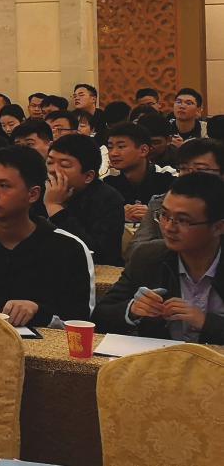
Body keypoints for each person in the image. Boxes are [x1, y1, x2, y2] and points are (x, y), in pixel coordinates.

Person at [0, 146, 95, 327]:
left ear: (33, 194)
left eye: (4, 186)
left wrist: (39, 311)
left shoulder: (68, 248)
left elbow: (81, 322)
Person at [93, 173, 223, 344]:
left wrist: (206, 322)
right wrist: (132, 310)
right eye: (164, 215)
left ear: (218, 227)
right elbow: (100, 316)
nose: (169, 227)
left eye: (183, 220)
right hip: (160, 358)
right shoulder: (149, 256)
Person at [43, 133, 127, 267]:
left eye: (64, 165)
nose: (53, 170)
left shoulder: (108, 199)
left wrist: (55, 208)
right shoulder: (39, 190)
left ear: (88, 176)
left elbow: (98, 253)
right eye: (50, 162)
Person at [128, 138, 224, 254]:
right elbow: (135, 249)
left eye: (200, 169)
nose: (190, 176)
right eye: (184, 168)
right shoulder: (162, 203)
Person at [103, 121, 176, 224]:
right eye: (110, 147)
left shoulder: (168, 178)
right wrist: (118, 214)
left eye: (121, 147)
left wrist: (153, 215)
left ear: (143, 150)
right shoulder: (108, 182)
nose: (113, 153)